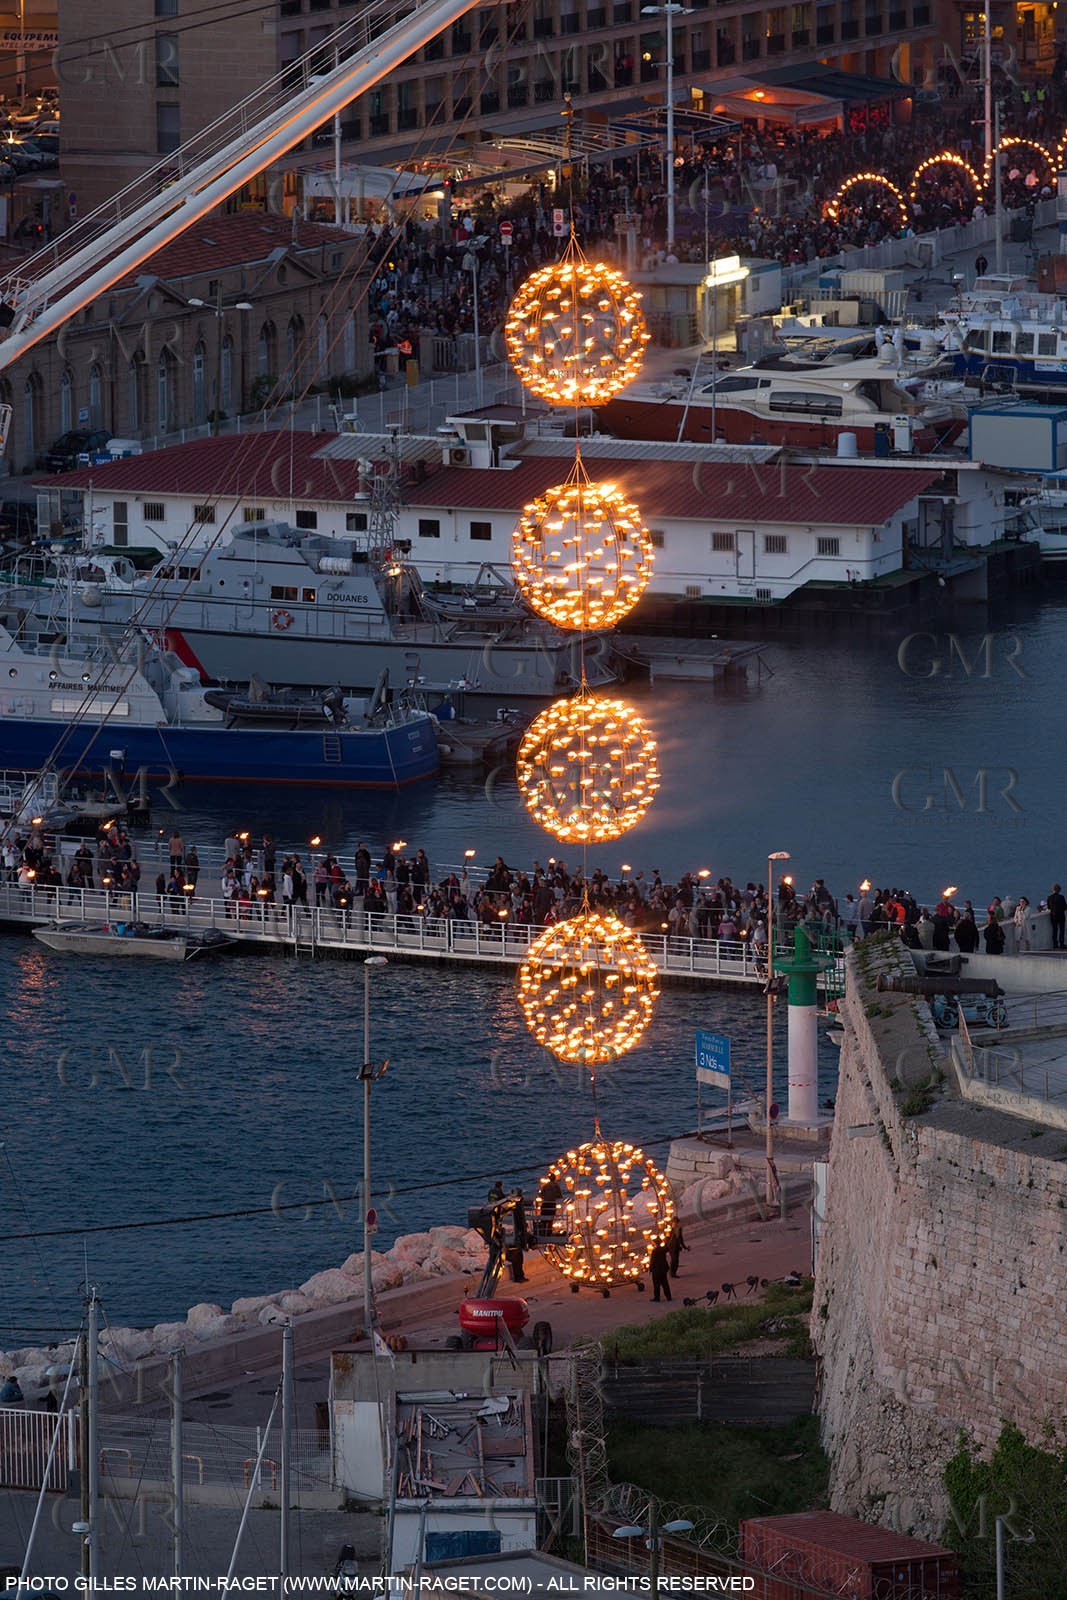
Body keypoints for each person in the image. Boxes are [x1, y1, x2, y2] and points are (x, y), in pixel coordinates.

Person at [1050, 883, 1067, 951]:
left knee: (1055, 930)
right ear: (1059, 890)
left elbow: (1049, 907)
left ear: (1053, 890)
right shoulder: (1062, 897)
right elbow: (1065, 907)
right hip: (1061, 916)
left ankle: (1055, 944)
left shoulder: (1049, 897)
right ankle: (1061, 944)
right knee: (1061, 930)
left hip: (1053, 916)